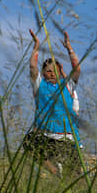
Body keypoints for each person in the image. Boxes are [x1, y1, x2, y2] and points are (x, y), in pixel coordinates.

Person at [22, 28, 83, 175]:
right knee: (28, 142)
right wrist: (36, 46)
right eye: (48, 71)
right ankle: (54, 171)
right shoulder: (39, 84)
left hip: (67, 138)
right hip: (46, 136)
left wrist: (69, 49)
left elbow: (77, 70)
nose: (51, 73)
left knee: (75, 177)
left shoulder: (67, 85)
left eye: (54, 70)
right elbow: (32, 67)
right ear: (44, 73)